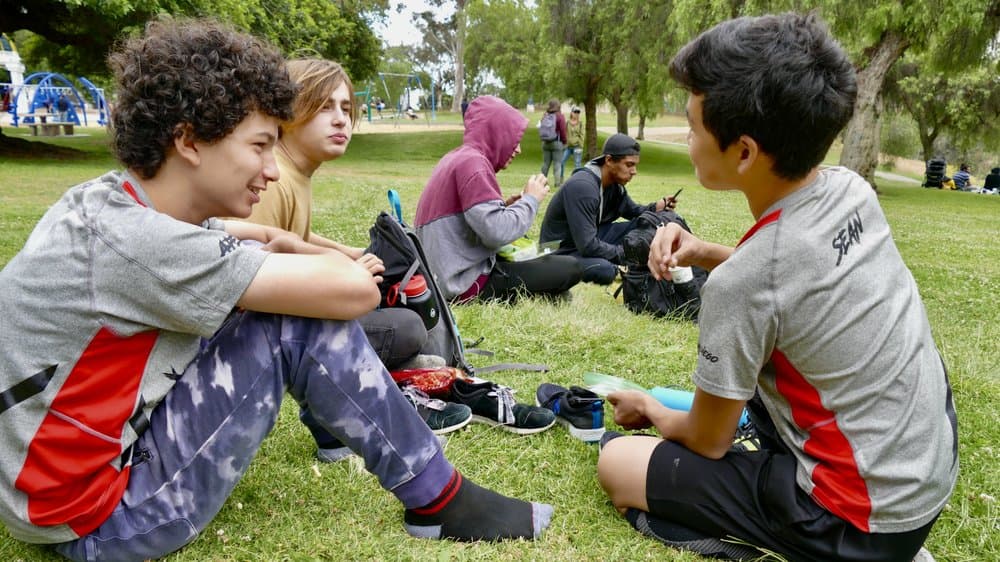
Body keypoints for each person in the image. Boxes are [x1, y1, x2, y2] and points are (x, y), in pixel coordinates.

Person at [0, 19, 553, 561]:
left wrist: (297, 248)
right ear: (188, 140)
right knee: (292, 322)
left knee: (278, 306)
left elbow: (266, 235)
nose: (271, 170)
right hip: (98, 520)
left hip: (59, 488)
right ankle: (441, 498)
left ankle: (349, 433)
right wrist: (341, 269)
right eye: (261, 145)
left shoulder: (115, 206)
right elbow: (352, 296)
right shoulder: (143, 244)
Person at [596, 13, 956, 562]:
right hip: (925, 478)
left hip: (856, 520)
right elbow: (796, 278)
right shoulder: (850, 191)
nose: (688, 140)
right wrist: (708, 252)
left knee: (617, 464)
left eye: (693, 128)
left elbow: (707, 439)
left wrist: (649, 406)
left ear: (743, 152)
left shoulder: (745, 283)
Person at [236, 58, 459, 462]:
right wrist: (344, 274)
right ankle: (338, 414)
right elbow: (253, 277)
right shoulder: (274, 180)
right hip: (263, 338)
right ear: (287, 112)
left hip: (284, 322)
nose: (341, 120)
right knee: (407, 326)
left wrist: (349, 253)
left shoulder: (295, 172)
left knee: (392, 312)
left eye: (346, 109)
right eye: (324, 107)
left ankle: (381, 387)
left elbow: (295, 237)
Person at [414, 95, 582, 303]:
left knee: (549, 266)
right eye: (514, 139)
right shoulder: (474, 165)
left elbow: (467, 222)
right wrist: (531, 200)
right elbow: (496, 233)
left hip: (442, 275)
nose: (518, 149)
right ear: (496, 133)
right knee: (570, 267)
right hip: (463, 284)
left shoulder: (457, 157)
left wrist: (507, 207)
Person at [539, 133, 679, 285]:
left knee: (651, 223)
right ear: (609, 160)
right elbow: (587, 246)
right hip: (560, 250)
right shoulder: (583, 186)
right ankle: (631, 264)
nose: (634, 171)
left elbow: (633, 212)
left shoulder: (614, 185)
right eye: (629, 165)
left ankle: (662, 259)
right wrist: (625, 253)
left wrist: (657, 207)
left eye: (635, 165)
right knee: (605, 270)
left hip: (590, 237)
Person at [539, 98, 567, 185]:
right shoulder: (560, 116)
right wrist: (564, 141)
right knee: (557, 164)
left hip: (545, 142)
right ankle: (557, 183)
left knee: (545, 163)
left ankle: (541, 182)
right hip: (557, 143)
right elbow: (562, 131)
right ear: (558, 106)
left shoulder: (545, 115)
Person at [560, 107, 584, 180]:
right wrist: (564, 143)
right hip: (568, 147)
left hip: (577, 147)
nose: (576, 114)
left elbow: (582, 135)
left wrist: (580, 147)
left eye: (578, 112)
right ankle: (561, 178)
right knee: (561, 162)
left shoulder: (580, 123)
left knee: (577, 165)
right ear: (571, 113)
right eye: (575, 112)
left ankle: (577, 180)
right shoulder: (567, 122)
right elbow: (564, 133)